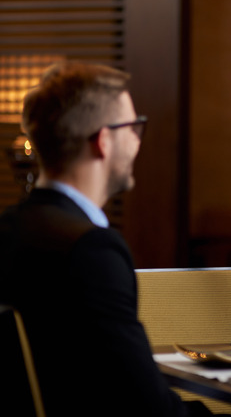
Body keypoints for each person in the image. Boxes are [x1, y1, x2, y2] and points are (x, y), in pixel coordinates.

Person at [0, 62, 216, 416]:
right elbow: (147, 408)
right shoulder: (92, 251)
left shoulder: (9, 229)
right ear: (103, 140)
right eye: (133, 128)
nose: (136, 140)